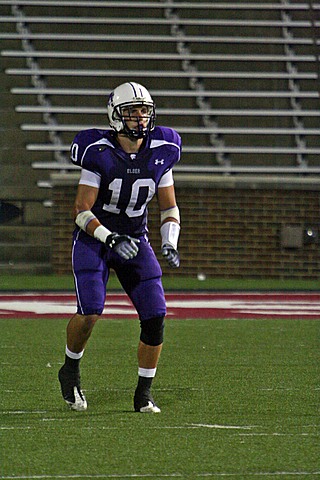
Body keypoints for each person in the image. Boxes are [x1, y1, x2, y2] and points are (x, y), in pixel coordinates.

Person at [58, 82, 181, 413]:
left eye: (144, 111)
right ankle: (70, 368)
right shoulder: (97, 150)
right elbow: (81, 210)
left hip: (136, 240)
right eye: (131, 111)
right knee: (90, 312)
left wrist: (170, 242)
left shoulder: (162, 148)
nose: (139, 118)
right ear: (115, 116)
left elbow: (169, 207)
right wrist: (109, 238)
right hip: (95, 240)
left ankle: (143, 393)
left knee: (156, 315)